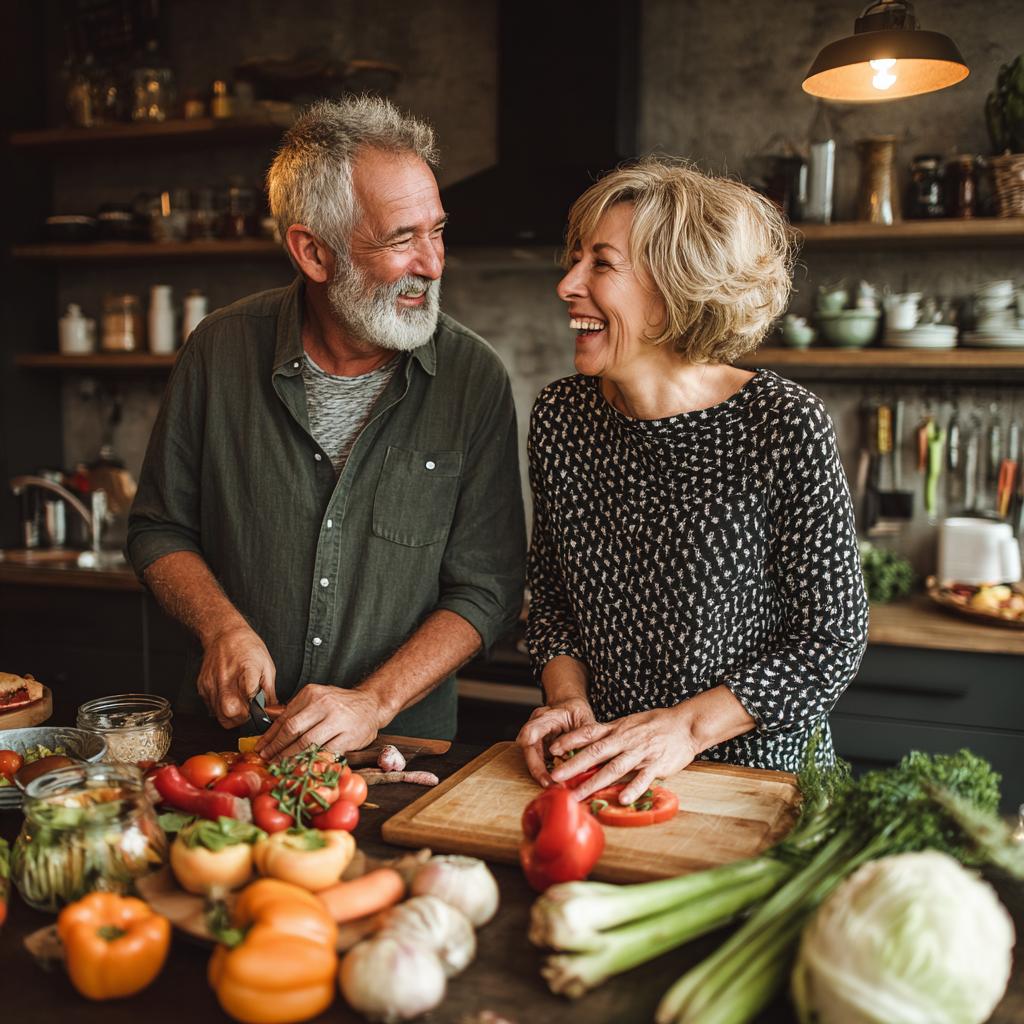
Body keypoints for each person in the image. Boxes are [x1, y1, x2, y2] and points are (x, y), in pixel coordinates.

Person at [128, 97, 526, 759]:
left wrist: (375, 702)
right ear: (313, 252)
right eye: (401, 238)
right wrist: (221, 627)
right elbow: (158, 527)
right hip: (230, 747)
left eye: (437, 230)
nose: (433, 263)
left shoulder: (472, 377)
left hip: (396, 752)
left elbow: (489, 587)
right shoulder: (219, 350)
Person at [517, 158, 868, 807]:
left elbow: (829, 643)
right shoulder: (562, 417)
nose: (567, 284)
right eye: (573, 260)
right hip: (610, 771)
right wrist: (567, 700)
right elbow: (554, 602)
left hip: (756, 782)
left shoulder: (782, 423)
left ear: (675, 288)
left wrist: (685, 728)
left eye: (601, 264)